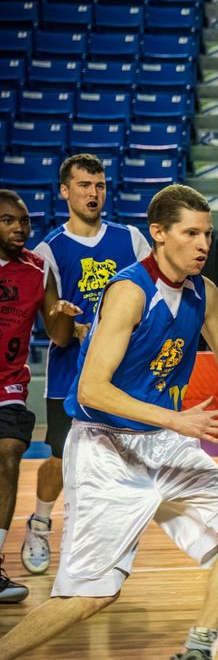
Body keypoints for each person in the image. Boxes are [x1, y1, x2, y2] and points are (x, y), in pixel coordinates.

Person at [0, 184, 218, 660]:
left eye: (207, 234)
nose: (201, 244)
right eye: (190, 233)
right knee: (91, 596)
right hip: (106, 447)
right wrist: (178, 418)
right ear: (159, 234)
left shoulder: (205, 293)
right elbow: (90, 391)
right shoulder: (130, 291)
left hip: (163, 441)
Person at [20, 153, 151, 577]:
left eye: (98, 186)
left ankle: (95, 541)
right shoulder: (48, 250)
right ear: (64, 191)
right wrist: (64, 317)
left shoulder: (130, 238)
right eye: (83, 186)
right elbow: (54, 334)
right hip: (70, 375)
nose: (92, 194)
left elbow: (151, 300)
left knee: (116, 459)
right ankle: (40, 522)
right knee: (61, 459)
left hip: (120, 374)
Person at [0, 190, 80, 606]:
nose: (19, 229)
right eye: (8, 221)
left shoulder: (37, 269)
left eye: (24, 221)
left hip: (8, 384)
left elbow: (57, 334)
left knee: (11, 451)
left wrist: (61, 314)